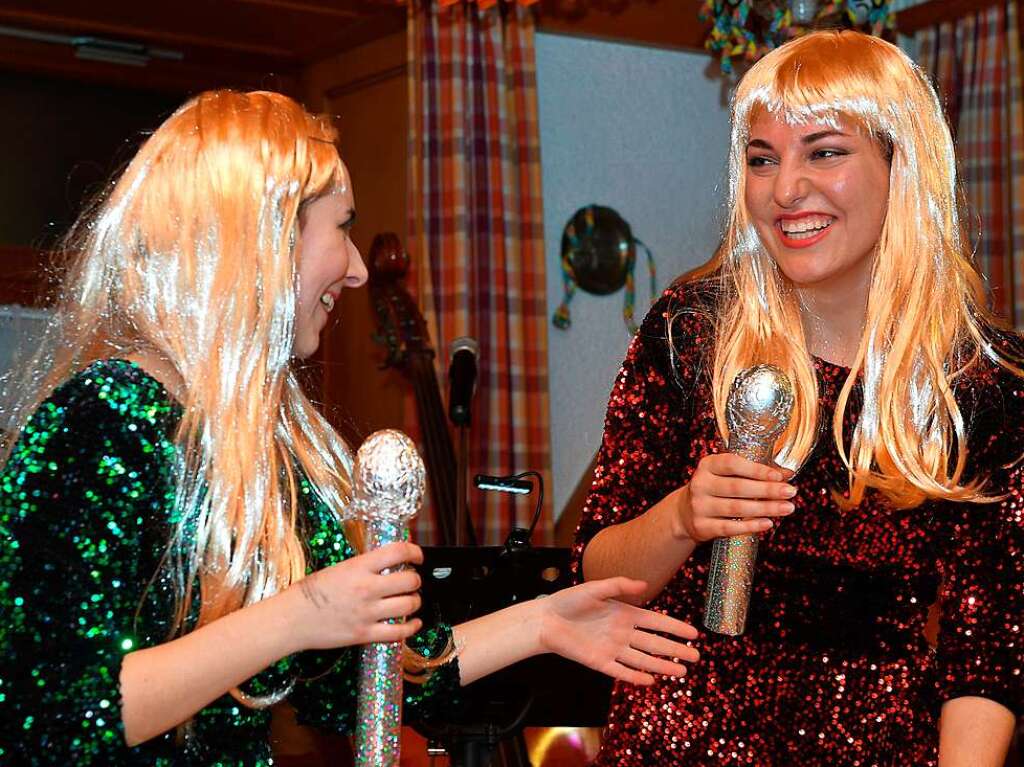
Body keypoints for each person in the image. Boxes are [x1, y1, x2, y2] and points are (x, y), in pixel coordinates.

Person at [0, 89, 700, 765]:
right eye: (342, 228)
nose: (361, 270)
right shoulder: (99, 421)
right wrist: (302, 612)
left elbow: (358, 686)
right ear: (263, 237)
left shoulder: (261, 455)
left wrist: (543, 622)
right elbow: (53, 716)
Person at [573, 30, 1024, 767]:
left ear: (899, 165)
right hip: (677, 746)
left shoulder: (985, 386)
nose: (785, 189)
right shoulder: (691, 334)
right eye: (761, 159)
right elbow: (596, 572)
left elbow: (990, 648)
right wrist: (684, 516)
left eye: (824, 151)